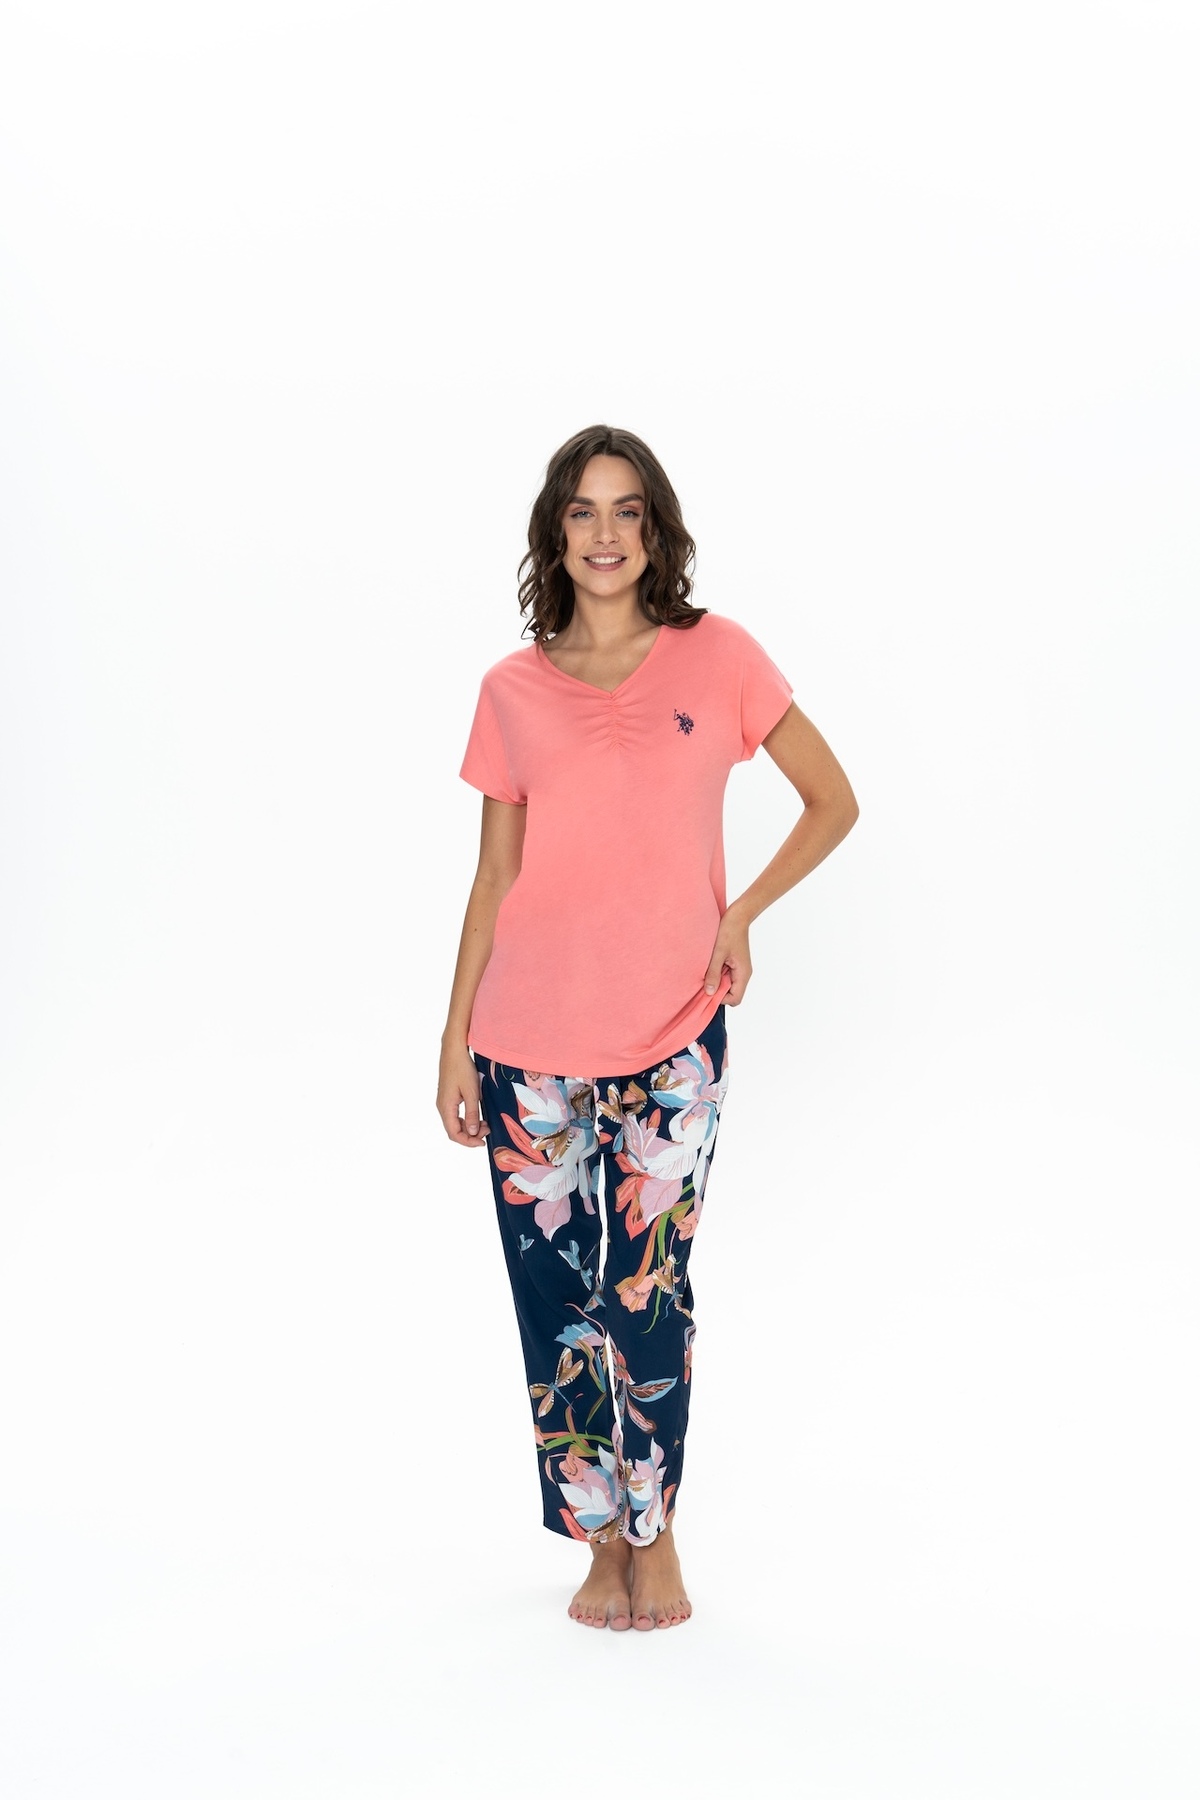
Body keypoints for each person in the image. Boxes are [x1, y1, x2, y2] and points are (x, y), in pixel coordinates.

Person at [437, 424, 859, 1632]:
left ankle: (654, 1530)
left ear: (657, 529)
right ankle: (595, 1541)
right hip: (525, 1046)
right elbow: (493, 878)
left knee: (648, 1293)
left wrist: (742, 913)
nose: (605, 533)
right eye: (582, 510)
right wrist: (455, 1037)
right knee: (555, 1305)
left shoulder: (719, 657)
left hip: (673, 1038)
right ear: (555, 532)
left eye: (627, 510)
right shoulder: (511, 689)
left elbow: (833, 799)